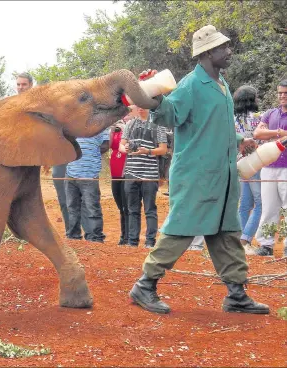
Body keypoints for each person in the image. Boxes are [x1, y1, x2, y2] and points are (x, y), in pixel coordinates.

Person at [129, 25, 269, 315]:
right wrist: (153, 94)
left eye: (227, 46)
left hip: (222, 174)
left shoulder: (222, 84)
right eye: (222, 48)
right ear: (207, 53)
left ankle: (236, 294)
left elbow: (211, 126)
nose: (229, 51)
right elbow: (169, 114)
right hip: (197, 175)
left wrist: (242, 140)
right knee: (182, 228)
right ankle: (145, 285)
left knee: (226, 231)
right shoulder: (192, 84)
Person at [119, 106, 168, 248]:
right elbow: (121, 146)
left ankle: (150, 241)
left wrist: (147, 151)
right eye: (138, 106)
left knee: (149, 209)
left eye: (143, 106)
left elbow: (163, 149)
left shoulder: (157, 124)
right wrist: (126, 149)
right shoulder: (130, 124)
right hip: (131, 172)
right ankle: (132, 241)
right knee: (132, 208)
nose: (140, 109)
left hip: (149, 174)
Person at [253, 79, 287, 256]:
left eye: (285, 93)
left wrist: (275, 134)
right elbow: (258, 133)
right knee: (268, 207)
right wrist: (278, 133)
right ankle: (266, 245)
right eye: (280, 92)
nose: (282, 96)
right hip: (268, 165)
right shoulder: (270, 113)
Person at [233, 85, 263, 254]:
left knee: (244, 204)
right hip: (257, 162)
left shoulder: (232, 118)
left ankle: (241, 242)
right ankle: (245, 238)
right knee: (260, 203)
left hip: (239, 163)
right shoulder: (259, 117)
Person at [65, 129, 109, 243]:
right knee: (72, 207)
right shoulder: (72, 126)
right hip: (71, 172)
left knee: (91, 207)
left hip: (89, 173)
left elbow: (106, 145)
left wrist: (89, 154)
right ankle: (73, 236)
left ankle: (95, 237)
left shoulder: (99, 126)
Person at [110, 119, 129, 245]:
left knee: (126, 206)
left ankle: (127, 236)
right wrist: (111, 130)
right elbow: (109, 145)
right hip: (114, 173)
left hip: (126, 172)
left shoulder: (133, 126)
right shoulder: (116, 128)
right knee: (120, 206)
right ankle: (124, 234)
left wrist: (126, 128)